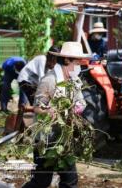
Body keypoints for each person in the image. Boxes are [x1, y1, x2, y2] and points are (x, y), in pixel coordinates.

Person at [22, 42, 90, 188]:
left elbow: (81, 102)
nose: (78, 65)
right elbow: (37, 108)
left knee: (70, 180)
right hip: (45, 140)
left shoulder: (74, 81)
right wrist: (50, 111)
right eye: (76, 62)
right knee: (41, 181)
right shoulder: (49, 80)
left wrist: (76, 108)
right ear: (66, 60)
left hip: (63, 139)